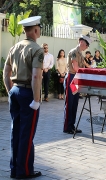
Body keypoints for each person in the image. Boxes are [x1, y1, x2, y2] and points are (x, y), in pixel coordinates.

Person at [3, 16, 43, 179]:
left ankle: (15, 168)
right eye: (39, 28)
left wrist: (10, 92)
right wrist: (36, 99)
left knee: (16, 132)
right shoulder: (37, 49)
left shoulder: (15, 47)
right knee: (27, 133)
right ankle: (24, 171)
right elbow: (36, 77)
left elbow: (6, 73)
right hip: (28, 94)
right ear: (35, 30)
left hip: (15, 91)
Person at [63, 35, 92, 134]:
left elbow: (85, 66)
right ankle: (67, 127)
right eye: (87, 45)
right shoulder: (74, 52)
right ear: (82, 42)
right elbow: (75, 67)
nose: (87, 47)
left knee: (75, 103)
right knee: (69, 103)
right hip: (71, 78)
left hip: (76, 78)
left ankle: (72, 125)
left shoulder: (80, 54)